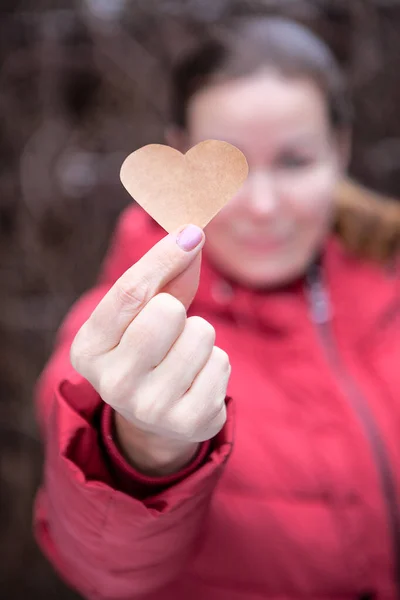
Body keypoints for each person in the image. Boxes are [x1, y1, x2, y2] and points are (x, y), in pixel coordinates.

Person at [34, 16, 400, 600]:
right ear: (177, 155)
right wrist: (143, 451)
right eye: (234, 170)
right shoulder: (114, 341)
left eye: (296, 161)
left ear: (342, 150)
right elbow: (103, 569)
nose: (261, 205)